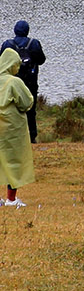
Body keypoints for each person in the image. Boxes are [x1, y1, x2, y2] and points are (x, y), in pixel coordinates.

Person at [2, 21, 47, 143]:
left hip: (11, 82)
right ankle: (32, 137)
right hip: (30, 82)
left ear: (14, 30)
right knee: (30, 108)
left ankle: (13, 136)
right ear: (27, 31)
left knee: (11, 109)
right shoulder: (34, 44)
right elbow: (42, 60)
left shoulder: (7, 44)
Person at [0, 48, 31, 207]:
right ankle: (11, 199)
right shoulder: (14, 82)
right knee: (13, 161)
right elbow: (26, 102)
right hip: (11, 127)